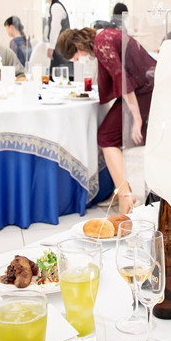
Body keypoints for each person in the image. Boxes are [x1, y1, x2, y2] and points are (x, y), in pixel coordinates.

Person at [64, 25, 156, 213]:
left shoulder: (101, 44)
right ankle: (123, 192)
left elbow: (122, 80)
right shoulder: (105, 34)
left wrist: (137, 118)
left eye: (77, 57)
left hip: (143, 90)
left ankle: (125, 197)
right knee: (107, 135)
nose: (81, 59)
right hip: (146, 85)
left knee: (106, 137)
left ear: (78, 47)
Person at [44, 0, 69, 66]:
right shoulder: (54, 6)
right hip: (59, 47)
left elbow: (55, 27)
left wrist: (51, 47)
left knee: (58, 71)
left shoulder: (56, 6)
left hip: (60, 48)